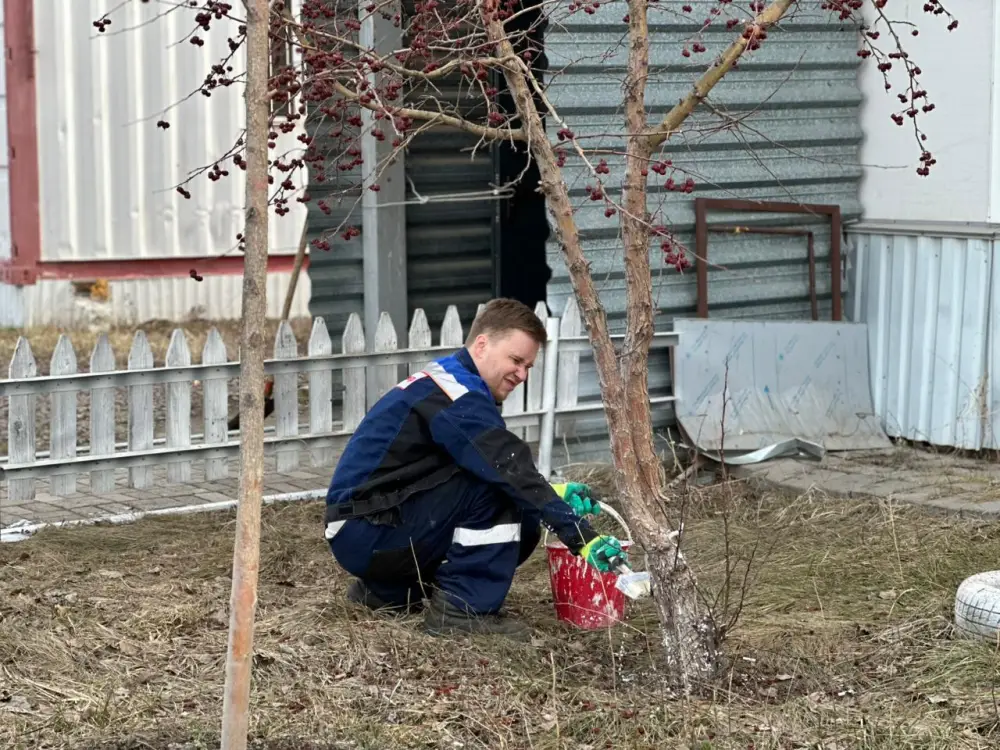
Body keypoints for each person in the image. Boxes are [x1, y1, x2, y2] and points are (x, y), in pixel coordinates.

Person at [323, 297, 629, 639]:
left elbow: (446, 473)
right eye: (516, 360)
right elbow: (506, 467)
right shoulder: (456, 395)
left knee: (514, 498)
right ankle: (461, 612)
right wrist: (581, 536)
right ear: (481, 344)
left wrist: (553, 495)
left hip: (364, 528)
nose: (522, 375)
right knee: (501, 491)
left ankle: (389, 592)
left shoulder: (451, 384)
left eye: (528, 366)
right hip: (368, 531)